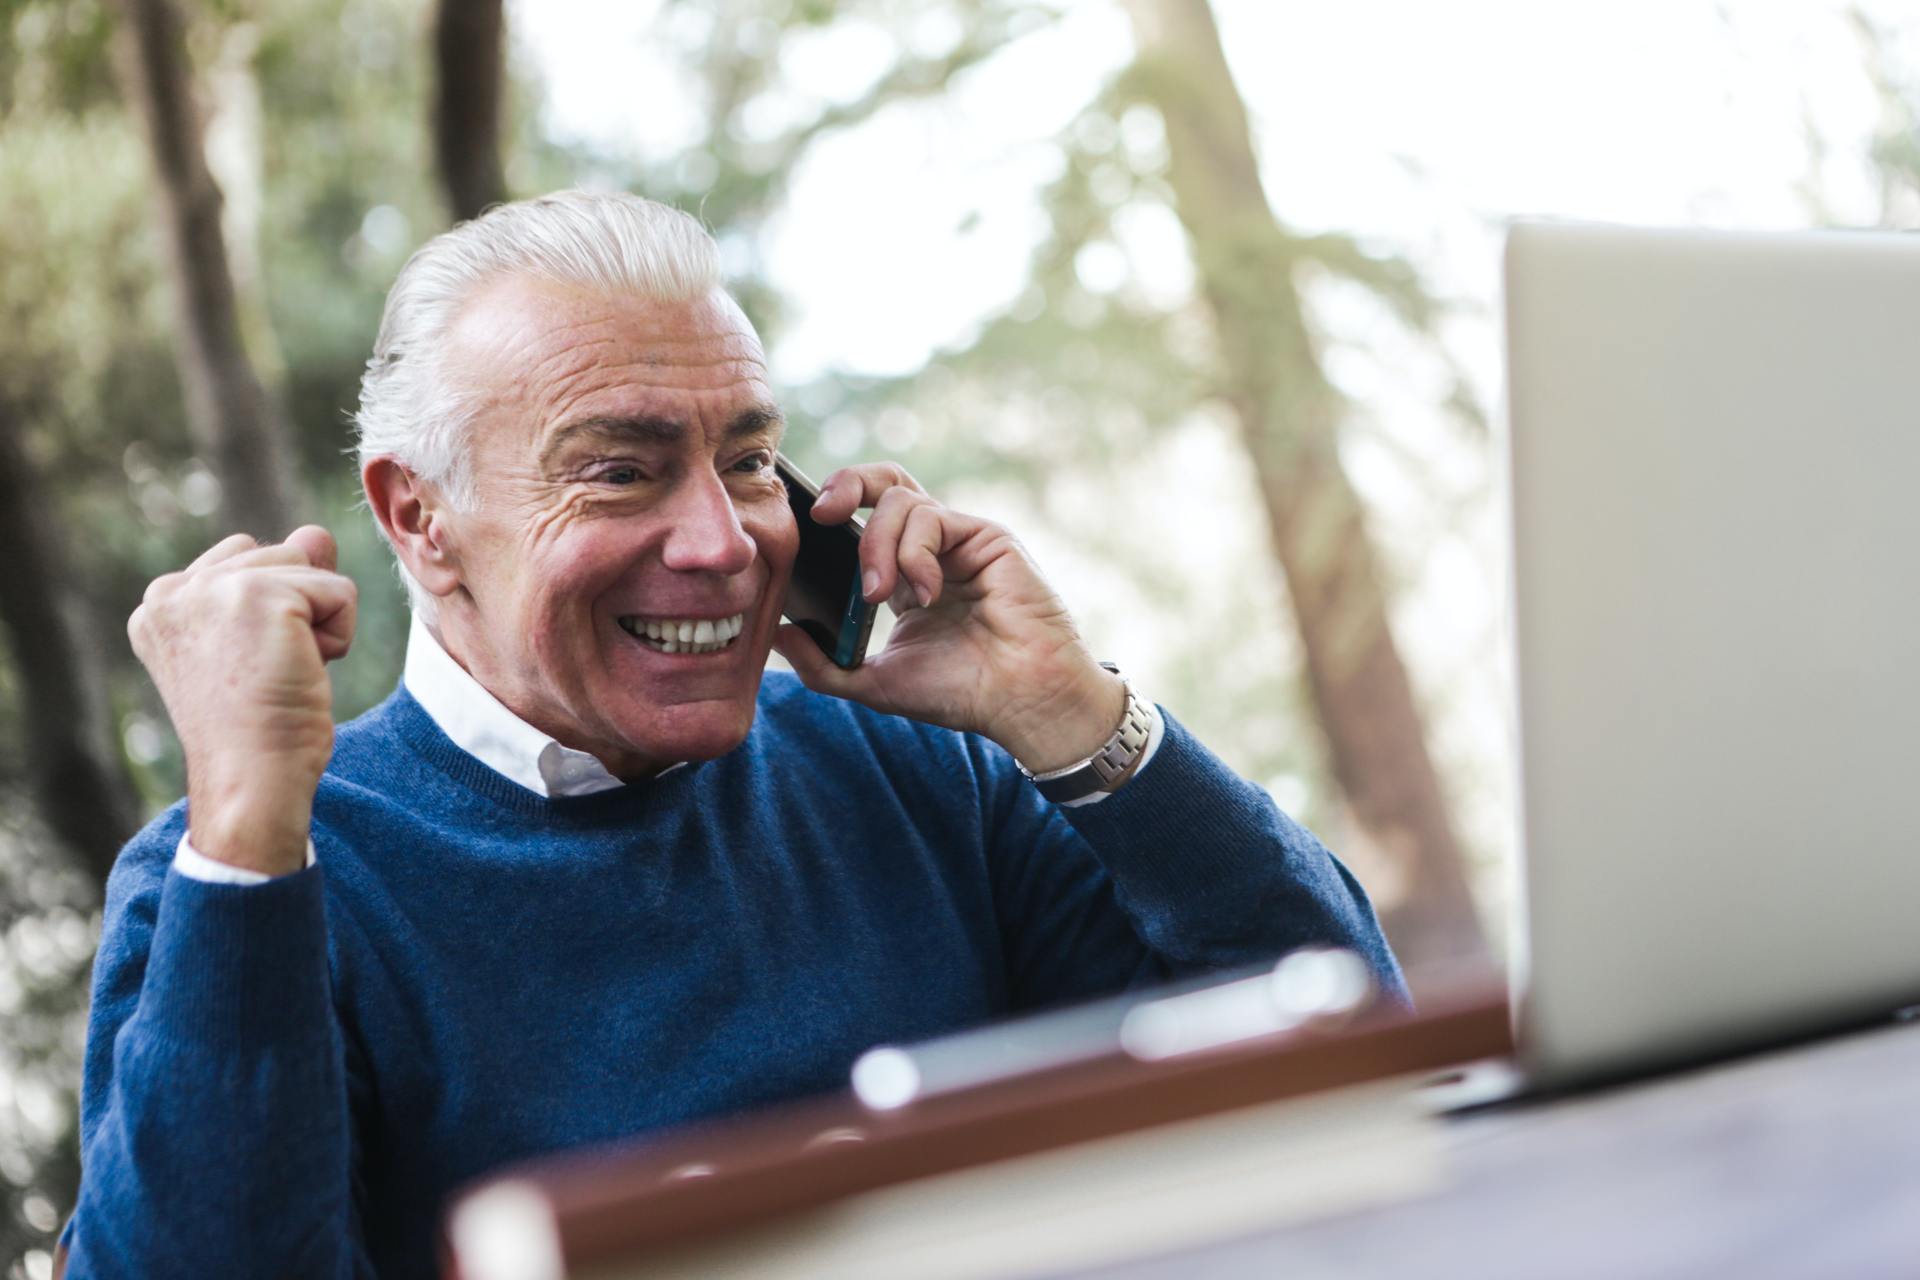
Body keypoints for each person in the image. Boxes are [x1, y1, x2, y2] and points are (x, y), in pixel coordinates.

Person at [58, 190, 1403, 1278]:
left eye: (750, 461)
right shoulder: (251, 878)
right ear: (419, 518)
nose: (723, 543)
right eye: (623, 470)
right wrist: (246, 835)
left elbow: (1344, 1070)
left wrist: (1074, 719)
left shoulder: (923, 768)